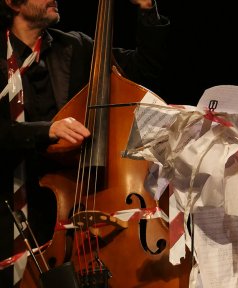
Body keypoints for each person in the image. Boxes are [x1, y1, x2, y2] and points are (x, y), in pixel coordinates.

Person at [0, 0, 169, 286]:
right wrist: (47, 131)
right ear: (13, 3)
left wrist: (146, 12)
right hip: (10, 206)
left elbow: (144, 70)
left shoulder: (76, 48)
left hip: (72, 207)